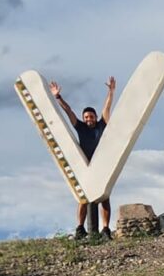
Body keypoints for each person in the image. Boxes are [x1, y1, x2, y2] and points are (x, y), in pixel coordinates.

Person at [48, 77, 115, 240]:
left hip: (100, 166)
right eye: (86, 117)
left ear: (94, 117)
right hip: (84, 165)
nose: (88, 119)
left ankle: (105, 230)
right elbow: (69, 111)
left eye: (91, 116)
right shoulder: (80, 127)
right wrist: (58, 97)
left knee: (104, 198)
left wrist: (111, 91)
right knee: (83, 199)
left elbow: (107, 108)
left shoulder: (101, 125)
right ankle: (80, 228)